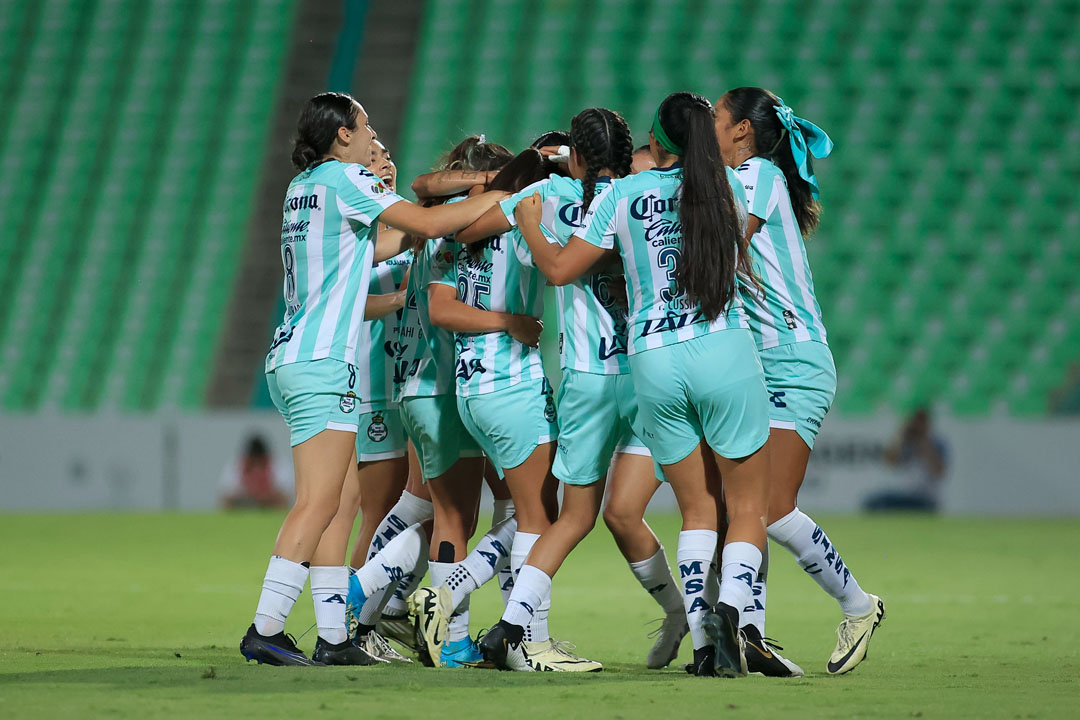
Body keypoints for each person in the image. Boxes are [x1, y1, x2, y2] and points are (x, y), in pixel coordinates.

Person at [499, 92, 771, 678]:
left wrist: (530, 214)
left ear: (659, 141)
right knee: (745, 507)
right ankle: (725, 621)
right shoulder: (729, 188)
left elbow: (561, 268)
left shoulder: (621, 196)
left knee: (688, 508)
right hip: (721, 346)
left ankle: (518, 624)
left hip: (649, 360)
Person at [241, 91, 508, 667]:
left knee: (336, 505)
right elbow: (429, 220)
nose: (372, 137)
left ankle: (336, 636)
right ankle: (265, 628)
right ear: (342, 135)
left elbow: (382, 246)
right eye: (366, 127)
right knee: (317, 504)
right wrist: (506, 196)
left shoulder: (303, 188)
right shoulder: (342, 177)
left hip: (293, 356)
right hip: (321, 363)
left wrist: (420, 232)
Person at [459, 108, 682, 672]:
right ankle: (690, 620)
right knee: (632, 513)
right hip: (648, 374)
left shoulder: (545, 195)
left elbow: (468, 232)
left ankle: (513, 627)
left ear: (576, 155)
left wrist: (526, 188)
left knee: (574, 515)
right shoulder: (642, 195)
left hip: (587, 380)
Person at [714, 86, 885, 675]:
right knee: (743, 508)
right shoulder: (739, 176)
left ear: (742, 131)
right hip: (757, 363)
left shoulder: (759, 174)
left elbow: (724, 238)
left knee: (770, 506)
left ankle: (858, 606)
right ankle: (751, 637)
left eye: (715, 115)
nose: (710, 124)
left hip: (795, 359)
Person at [414, 144, 599, 671]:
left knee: (526, 515)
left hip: (470, 387)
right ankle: (521, 637)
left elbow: (426, 189)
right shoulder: (528, 216)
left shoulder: (462, 232)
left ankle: (508, 632)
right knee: (540, 517)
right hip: (513, 383)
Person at [355, 135, 521, 668]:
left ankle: (441, 637)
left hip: (419, 385)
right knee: (452, 515)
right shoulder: (466, 226)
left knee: (440, 513)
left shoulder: (428, 222)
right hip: (450, 387)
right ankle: (362, 601)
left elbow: (425, 186)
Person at [866, 406, 947, 511]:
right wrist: (900, 436)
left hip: (925, 496)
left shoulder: (937, 443)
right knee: (872, 503)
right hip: (901, 493)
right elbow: (889, 461)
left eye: (920, 422)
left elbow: (939, 472)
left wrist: (924, 444)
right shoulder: (904, 442)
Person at [221, 435, 291, 510]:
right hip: (245, 505)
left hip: (269, 506)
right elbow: (226, 496)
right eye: (253, 460)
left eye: (259, 460)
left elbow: (286, 496)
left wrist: (264, 496)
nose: (257, 463)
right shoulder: (237, 465)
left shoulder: (277, 464)